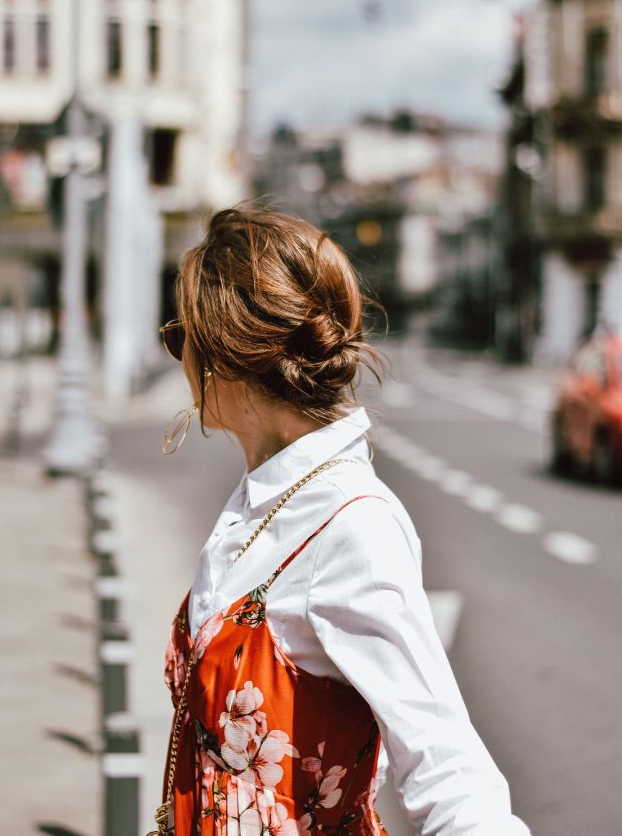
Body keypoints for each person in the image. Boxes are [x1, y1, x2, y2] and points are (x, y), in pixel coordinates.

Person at [149, 207, 530, 836]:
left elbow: (447, 768)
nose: (178, 361)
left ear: (227, 353)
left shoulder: (349, 526)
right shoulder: (262, 499)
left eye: (178, 337)